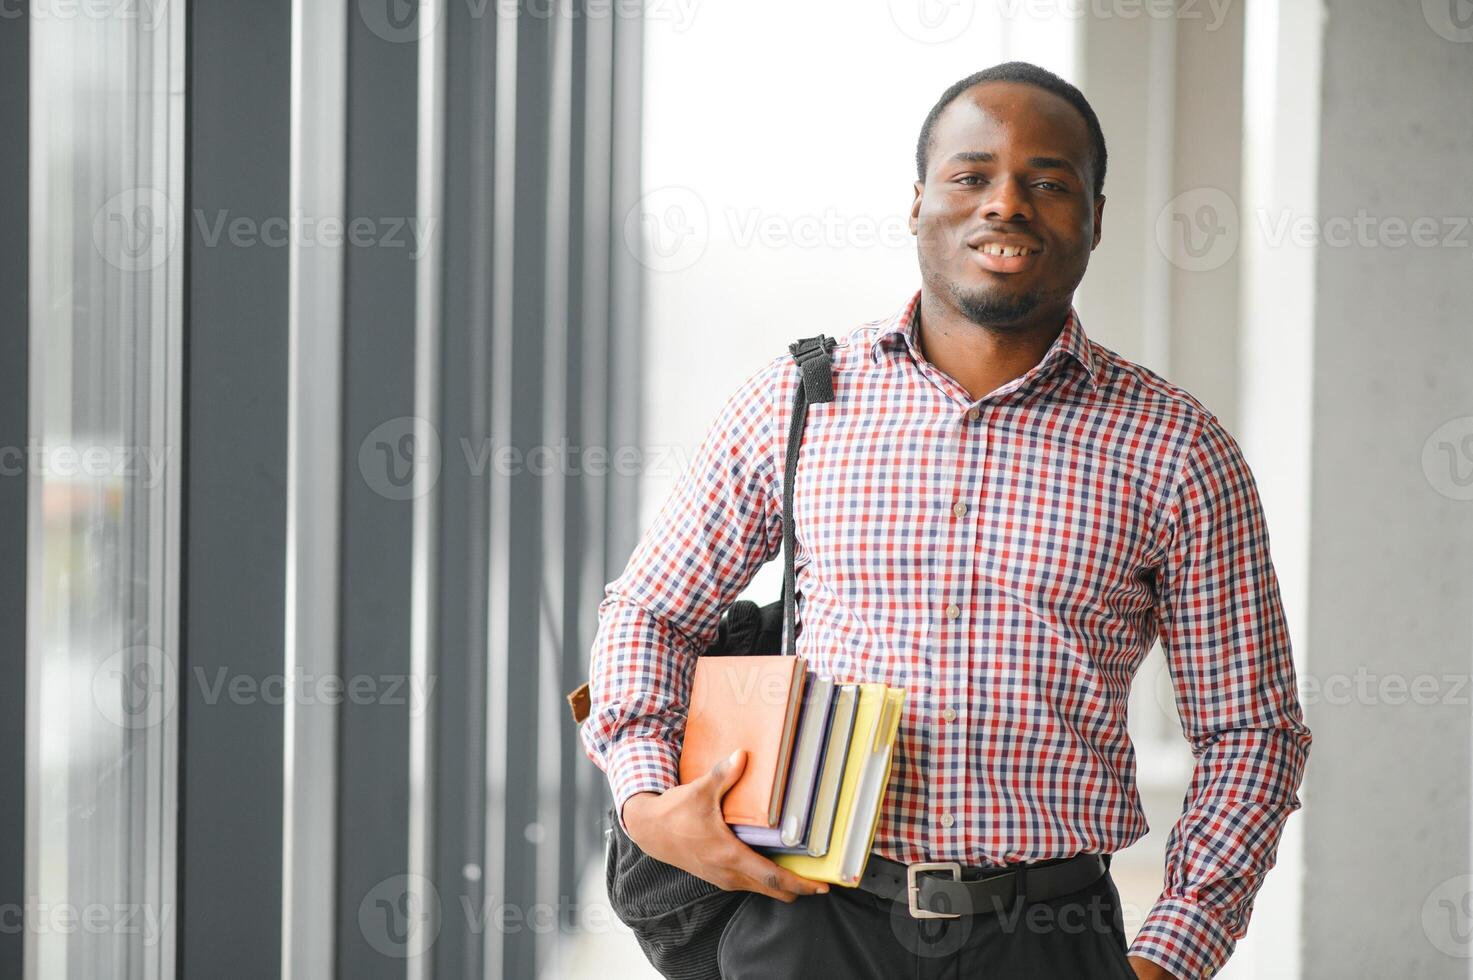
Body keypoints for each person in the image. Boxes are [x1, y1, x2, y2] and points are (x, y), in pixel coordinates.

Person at [580, 61, 1311, 980]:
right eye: (971, 176)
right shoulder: (801, 400)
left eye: (1048, 182)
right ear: (918, 200)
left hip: (1046, 938)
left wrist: (1173, 951)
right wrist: (647, 798)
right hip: (810, 919)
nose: (1005, 204)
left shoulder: (1176, 450)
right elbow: (650, 612)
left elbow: (1252, 730)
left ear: (1094, 218)